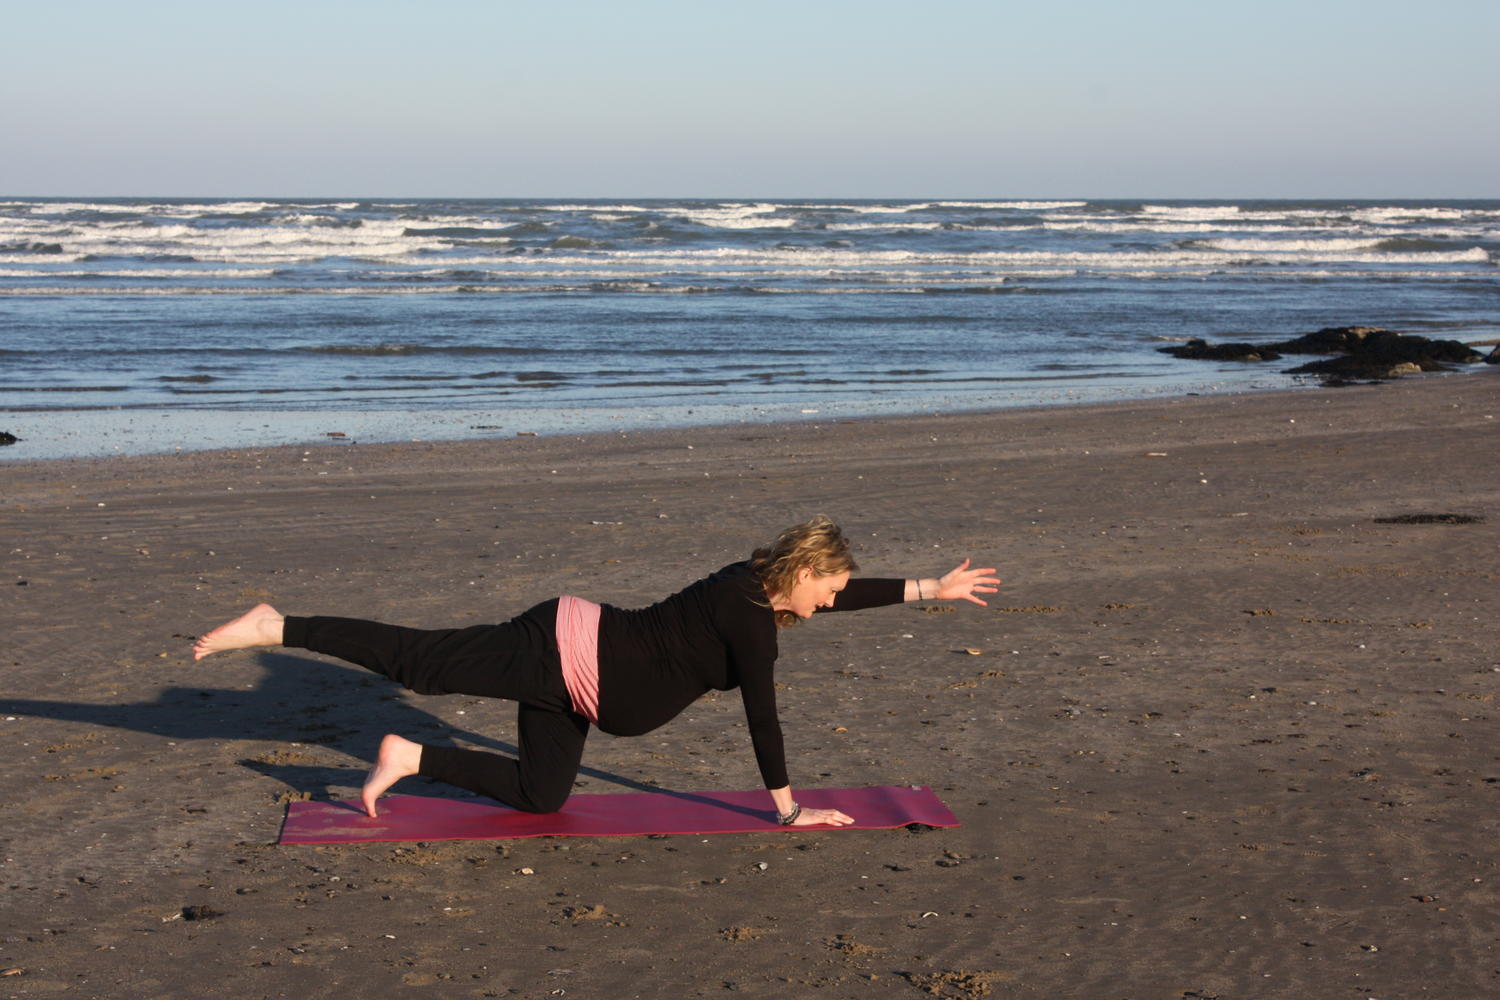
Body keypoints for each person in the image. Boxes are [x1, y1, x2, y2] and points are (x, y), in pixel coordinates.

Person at [194, 516, 999, 827]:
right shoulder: (749, 619)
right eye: (828, 588)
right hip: (558, 650)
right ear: (803, 572)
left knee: (541, 796)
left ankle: (410, 757)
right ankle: (278, 624)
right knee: (421, 663)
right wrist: (788, 810)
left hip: (576, 690)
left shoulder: (758, 585)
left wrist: (929, 587)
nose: (831, 602)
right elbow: (763, 716)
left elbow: (847, 592)